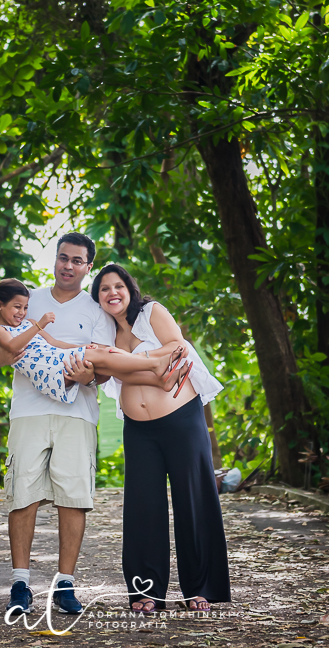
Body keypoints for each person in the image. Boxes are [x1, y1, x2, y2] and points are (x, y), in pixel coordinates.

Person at [0, 235, 190, 618]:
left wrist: (86, 377)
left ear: (87, 267)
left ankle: (65, 584)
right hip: (28, 412)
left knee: (73, 498)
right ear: (55, 260)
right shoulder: (28, 299)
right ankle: (20, 583)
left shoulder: (96, 309)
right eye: (62, 258)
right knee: (22, 496)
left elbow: (102, 367)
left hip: (78, 414)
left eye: (77, 261)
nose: (68, 266)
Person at [92, 263, 230, 613]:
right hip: (138, 430)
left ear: (130, 288)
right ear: (98, 298)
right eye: (104, 289)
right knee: (143, 508)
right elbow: (103, 368)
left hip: (182, 420)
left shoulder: (152, 312)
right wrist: (140, 363)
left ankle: (199, 588)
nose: (112, 293)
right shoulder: (104, 333)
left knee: (193, 501)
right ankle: (146, 591)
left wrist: (127, 359)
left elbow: (177, 348)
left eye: (118, 285)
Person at [0, 278, 188, 403]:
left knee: (106, 363)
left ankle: (160, 378)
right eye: (17, 307)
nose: (22, 312)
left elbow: (55, 343)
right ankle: (155, 364)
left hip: (58, 359)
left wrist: (83, 347)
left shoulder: (29, 323)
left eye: (25, 308)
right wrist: (39, 325)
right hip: (47, 370)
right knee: (105, 355)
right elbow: (11, 346)